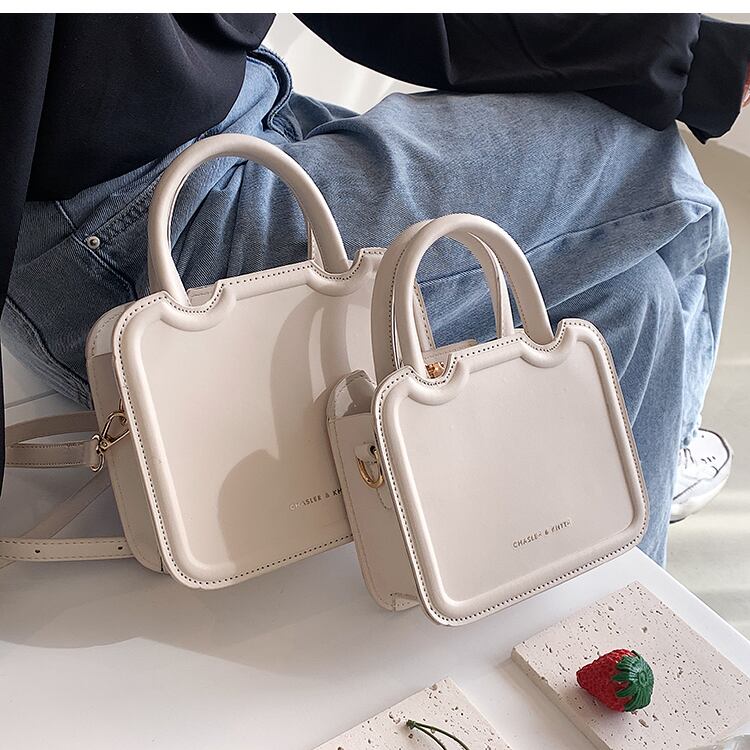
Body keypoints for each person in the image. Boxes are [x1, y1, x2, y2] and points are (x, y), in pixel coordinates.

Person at [1, 13, 749, 566]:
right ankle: (664, 462)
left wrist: (697, 56)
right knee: (648, 166)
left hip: (248, 131)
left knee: (636, 294)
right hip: (131, 227)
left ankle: (604, 615)